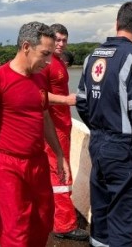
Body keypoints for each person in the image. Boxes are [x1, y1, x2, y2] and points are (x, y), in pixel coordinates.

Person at [0, 21, 71, 247]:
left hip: (38, 163)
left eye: (51, 55)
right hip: (8, 167)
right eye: (44, 54)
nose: (48, 61)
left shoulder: (40, 79)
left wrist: (60, 156)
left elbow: (44, 120)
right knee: (15, 235)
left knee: (41, 226)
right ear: (26, 47)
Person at [76, 1, 132, 247]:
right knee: (124, 224)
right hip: (124, 152)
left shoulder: (92, 57)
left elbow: (82, 103)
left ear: (117, 23)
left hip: (99, 144)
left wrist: (99, 130)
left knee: (100, 217)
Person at [40, 24, 89, 241]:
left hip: (63, 125)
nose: (61, 44)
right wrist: (66, 100)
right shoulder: (46, 63)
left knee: (58, 171)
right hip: (54, 127)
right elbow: (37, 94)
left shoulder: (58, 61)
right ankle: (64, 224)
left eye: (64, 40)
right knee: (59, 173)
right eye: (57, 40)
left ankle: (55, 216)